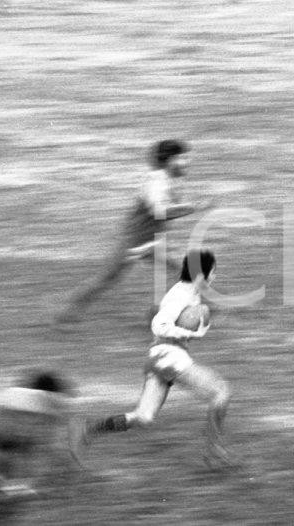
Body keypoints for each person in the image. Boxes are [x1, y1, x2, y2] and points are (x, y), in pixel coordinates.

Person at [69, 249, 233, 468]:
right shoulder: (180, 295)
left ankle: (86, 429)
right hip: (170, 357)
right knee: (221, 392)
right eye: (213, 272)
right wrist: (190, 334)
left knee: (142, 417)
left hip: (159, 357)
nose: (215, 276)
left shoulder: (190, 293)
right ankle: (214, 451)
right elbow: (159, 324)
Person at [55, 139, 207, 324]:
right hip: (135, 241)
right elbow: (159, 211)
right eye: (183, 159)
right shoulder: (157, 182)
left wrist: (186, 208)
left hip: (151, 240)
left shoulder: (170, 179)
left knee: (183, 273)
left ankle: (159, 313)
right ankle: (65, 309)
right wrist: (190, 207)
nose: (188, 162)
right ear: (170, 160)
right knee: (107, 278)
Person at [0, 371, 74, 524]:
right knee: (20, 484)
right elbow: (47, 439)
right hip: (19, 433)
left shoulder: (15, 392)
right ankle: (0, 511)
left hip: (0, 424)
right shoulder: (50, 400)